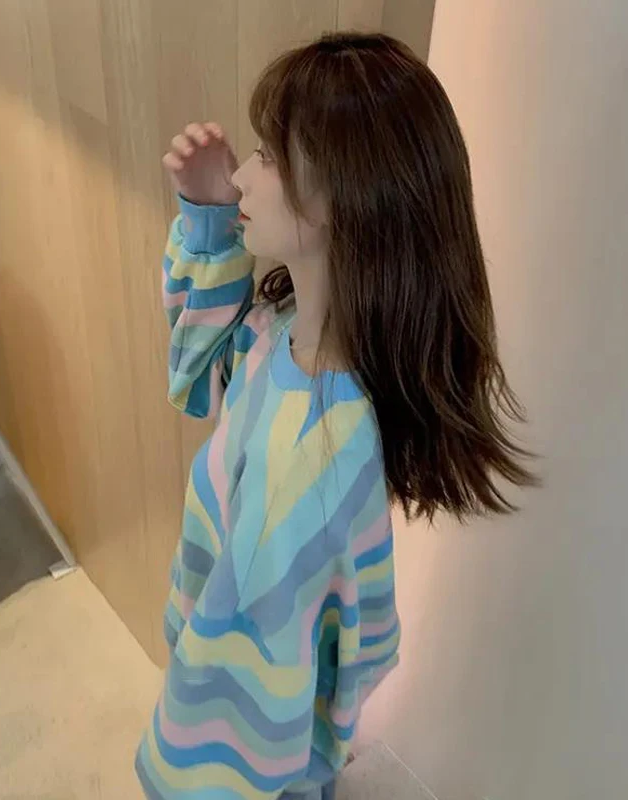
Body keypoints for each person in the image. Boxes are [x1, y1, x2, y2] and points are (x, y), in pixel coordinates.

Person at [135, 31, 535, 800]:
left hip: (235, 756)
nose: (244, 176)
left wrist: (178, 773)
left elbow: (238, 711)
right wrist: (209, 218)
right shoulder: (286, 337)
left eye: (267, 157)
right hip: (272, 730)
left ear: (339, 201)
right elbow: (207, 374)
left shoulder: (312, 460)